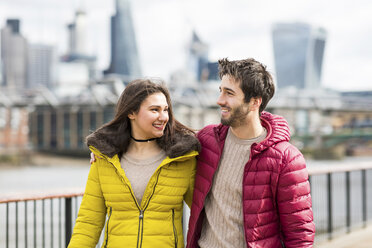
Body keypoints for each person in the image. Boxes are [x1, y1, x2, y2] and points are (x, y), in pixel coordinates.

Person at [186, 58, 315, 248]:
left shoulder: (286, 159)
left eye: (229, 93)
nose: (219, 100)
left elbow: (299, 235)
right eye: (220, 91)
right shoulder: (207, 139)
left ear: (255, 102)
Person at [68, 79, 200, 248]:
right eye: (154, 110)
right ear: (131, 112)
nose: (163, 117)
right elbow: (88, 223)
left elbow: (204, 216)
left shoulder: (183, 159)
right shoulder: (105, 159)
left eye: (165, 110)